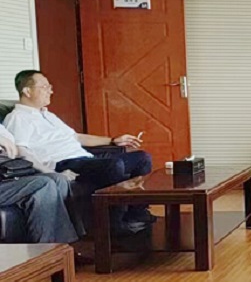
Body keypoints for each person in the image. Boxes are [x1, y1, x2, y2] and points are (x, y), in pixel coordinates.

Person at [4, 70, 154, 228]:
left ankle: (136, 214)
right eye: (45, 87)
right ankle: (114, 225)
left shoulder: (48, 115)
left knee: (142, 158)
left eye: (50, 87)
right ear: (27, 91)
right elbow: (21, 150)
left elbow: (76, 137)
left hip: (85, 160)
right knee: (113, 166)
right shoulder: (17, 117)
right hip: (64, 163)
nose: (51, 91)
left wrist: (113, 140)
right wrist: (50, 172)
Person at [0, 124, 79, 244]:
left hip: (7, 175)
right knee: (43, 184)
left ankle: (62, 247)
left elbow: (14, 150)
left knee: (57, 179)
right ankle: (47, 249)